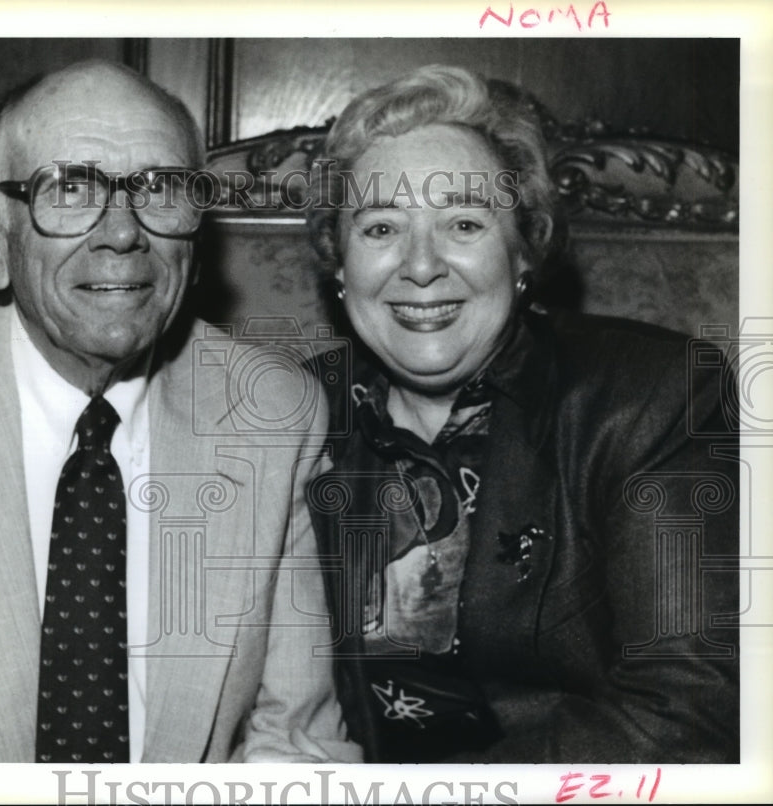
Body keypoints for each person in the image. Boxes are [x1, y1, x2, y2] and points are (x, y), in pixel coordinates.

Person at [0, 60, 358, 764]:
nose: (122, 233)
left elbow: (296, 745)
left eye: (160, 188)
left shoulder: (276, 414)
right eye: (71, 187)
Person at [303, 64, 739, 763]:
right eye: (381, 226)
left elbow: (691, 717)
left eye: (465, 223)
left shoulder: (653, 396)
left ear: (523, 251)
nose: (420, 266)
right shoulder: (281, 416)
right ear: (339, 263)